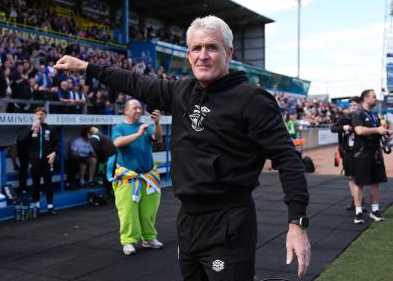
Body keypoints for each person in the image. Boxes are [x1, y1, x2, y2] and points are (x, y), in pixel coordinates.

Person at [55, 15, 310, 279]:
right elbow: (134, 82)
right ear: (188, 55)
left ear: (229, 53)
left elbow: (287, 158)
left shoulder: (252, 99)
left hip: (229, 223)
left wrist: (297, 222)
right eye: (196, 48)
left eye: (212, 47)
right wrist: (86, 67)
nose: (203, 55)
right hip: (187, 221)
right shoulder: (181, 91)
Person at [106, 100, 163, 255]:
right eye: (135, 108)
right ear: (125, 111)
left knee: (149, 211)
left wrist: (157, 123)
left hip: (148, 177)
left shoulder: (147, 126)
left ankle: (149, 238)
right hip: (128, 178)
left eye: (140, 108)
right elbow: (117, 143)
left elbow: (158, 138)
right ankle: (129, 241)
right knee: (128, 212)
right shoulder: (119, 128)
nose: (139, 110)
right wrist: (138, 134)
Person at [351, 89, 391, 224]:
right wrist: (377, 130)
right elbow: (359, 130)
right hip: (362, 153)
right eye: (374, 97)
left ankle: (375, 210)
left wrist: (384, 132)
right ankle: (358, 212)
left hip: (375, 153)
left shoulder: (374, 115)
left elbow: (376, 130)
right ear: (366, 98)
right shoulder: (358, 113)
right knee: (359, 182)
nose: (376, 99)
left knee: (375, 181)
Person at [18, 107, 58, 215]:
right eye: (37, 114)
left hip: (47, 161)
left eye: (42, 114)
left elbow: (56, 144)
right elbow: (21, 140)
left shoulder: (50, 128)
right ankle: (36, 205)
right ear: (35, 115)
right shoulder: (29, 128)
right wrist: (32, 129)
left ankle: (50, 206)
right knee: (35, 183)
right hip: (34, 160)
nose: (39, 116)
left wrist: (54, 153)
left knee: (48, 183)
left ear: (45, 116)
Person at [331, 96, 360, 210]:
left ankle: (360, 198)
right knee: (350, 176)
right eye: (351, 105)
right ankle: (355, 199)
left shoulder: (363, 117)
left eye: (355, 105)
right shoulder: (344, 117)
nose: (353, 107)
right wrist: (343, 127)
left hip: (361, 151)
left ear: (360, 106)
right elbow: (333, 128)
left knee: (360, 176)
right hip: (347, 151)